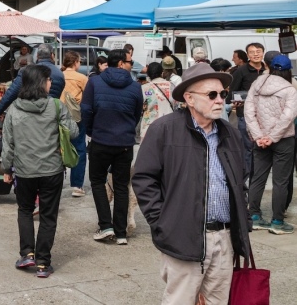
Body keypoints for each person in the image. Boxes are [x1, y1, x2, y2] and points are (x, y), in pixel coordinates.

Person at [133, 63, 250, 304]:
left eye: (223, 94)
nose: (219, 100)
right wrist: (162, 222)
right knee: (180, 300)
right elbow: (144, 178)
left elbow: (241, 179)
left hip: (224, 237)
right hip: (183, 236)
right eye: (211, 94)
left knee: (217, 300)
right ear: (189, 98)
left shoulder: (230, 133)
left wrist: (243, 218)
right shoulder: (164, 130)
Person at [2, 64, 78, 279]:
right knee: (48, 216)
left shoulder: (14, 108)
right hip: (52, 170)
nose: (51, 82)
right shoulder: (56, 106)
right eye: (48, 79)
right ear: (41, 82)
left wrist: (6, 168)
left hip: (24, 171)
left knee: (25, 210)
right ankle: (44, 263)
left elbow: (8, 142)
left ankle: (27, 254)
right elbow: (73, 132)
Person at [80, 49, 143, 245]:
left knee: (97, 181)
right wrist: (126, 129)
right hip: (124, 142)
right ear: (121, 63)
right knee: (122, 185)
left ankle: (106, 226)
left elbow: (86, 109)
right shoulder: (134, 87)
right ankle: (121, 232)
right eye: (130, 62)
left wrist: (91, 130)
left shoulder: (95, 82)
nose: (131, 65)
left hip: (101, 139)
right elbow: (137, 113)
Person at [244, 54, 297, 234]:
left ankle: (255, 216)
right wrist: (273, 137)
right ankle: (277, 222)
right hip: (284, 140)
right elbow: (288, 117)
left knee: (258, 177)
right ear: (289, 70)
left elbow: (248, 112)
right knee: (280, 181)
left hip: (260, 140)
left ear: (270, 66)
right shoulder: (290, 89)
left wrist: (259, 136)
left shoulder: (257, 84)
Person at [0, 44, 65, 117]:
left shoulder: (27, 71)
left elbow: (11, 93)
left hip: (30, 116)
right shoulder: (59, 74)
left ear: (37, 56)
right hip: (51, 115)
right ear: (52, 55)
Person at [230, 42, 267, 182]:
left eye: (258, 51)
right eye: (252, 52)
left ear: (263, 53)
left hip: (265, 116)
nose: (256, 54)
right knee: (248, 149)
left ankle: (258, 177)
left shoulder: (267, 69)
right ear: (248, 55)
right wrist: (239, 101)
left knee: (262, 148)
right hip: (245, 115)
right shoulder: (241, 71)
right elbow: (232, 93)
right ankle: (245, 180)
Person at [61, 51, 88, 198]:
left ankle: (56, 181)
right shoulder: (82, 78)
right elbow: (88, 97)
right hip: (77, 117)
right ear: (76, 62)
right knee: (79, 149)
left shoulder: (58, 76)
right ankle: (77, 185)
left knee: (59, 147)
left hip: (59, 115)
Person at [140, 61, 174, 141]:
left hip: (149, 126)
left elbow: (141, 106)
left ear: (148, 74)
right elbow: (177, 104)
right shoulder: (171, 86)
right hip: (168, 124)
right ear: (162, 73)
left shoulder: (144, 88)